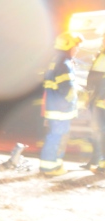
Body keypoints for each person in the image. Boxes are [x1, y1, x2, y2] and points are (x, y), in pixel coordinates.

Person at [40, 31, 84, 177]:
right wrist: (80, 99)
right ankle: (50, 168)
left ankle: (54, 164)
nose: (76, 50)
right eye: (75, 47)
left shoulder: (56, 61)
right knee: (57, 138)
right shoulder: (64, 64)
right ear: (68, 46)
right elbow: (67, 90)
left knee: (56, 137)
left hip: (55, 108)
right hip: (61, 110)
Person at [84, 34, 105, 171]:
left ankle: (101, 162)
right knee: (96, 131)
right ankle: (95, 159)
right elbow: (93, 79)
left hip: (101, 101)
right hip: (96, 100)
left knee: (101, 131)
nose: (103, 42)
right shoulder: (100, 56)